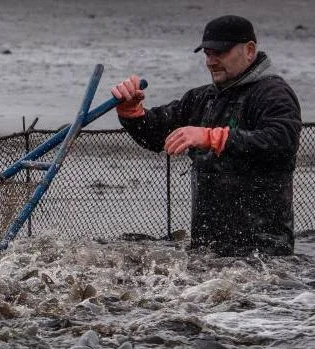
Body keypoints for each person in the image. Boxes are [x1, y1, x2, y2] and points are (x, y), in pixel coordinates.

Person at [111, 15, 302, 257]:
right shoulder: (201, 99)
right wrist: (132, 114)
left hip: (265, 251)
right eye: (207, 53)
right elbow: (156, 134)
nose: (211, 61)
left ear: (250, 50)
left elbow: (281, 141)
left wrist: (214, 138)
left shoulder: (273, 94)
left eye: (219, 53)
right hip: (207, 248)